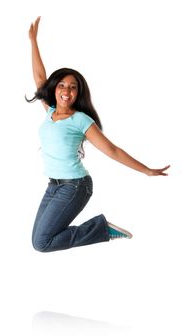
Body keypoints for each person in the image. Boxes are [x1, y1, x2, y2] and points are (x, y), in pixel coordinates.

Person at [27, 16, 170, 253]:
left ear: (77, 93)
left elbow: (112, 150)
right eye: (62, 85)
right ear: (55, 88)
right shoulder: (50, 111)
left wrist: (146, 170)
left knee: (41, 243)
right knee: (40, 239)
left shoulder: (81, 120)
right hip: (53, 185)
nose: (66, 90)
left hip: (75, 186)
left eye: (73, 87)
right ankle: (100, 229)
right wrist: (33, 41)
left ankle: (102, 229)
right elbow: (39, 77)